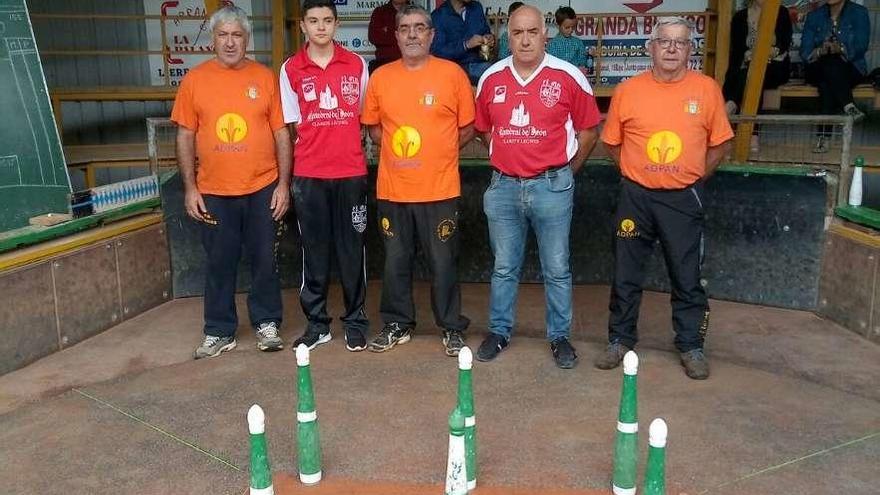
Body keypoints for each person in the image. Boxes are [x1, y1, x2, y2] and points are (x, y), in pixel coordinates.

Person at [595, 17, 734, 380]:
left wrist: (691, 178)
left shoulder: (706, 90)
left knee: (686, 274)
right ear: (650, 47)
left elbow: (721, 144)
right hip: (635, 197)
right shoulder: (628, 90)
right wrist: (634, 172)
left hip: (683, 199)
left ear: (691, 50)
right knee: (625, 272)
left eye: (681, 43)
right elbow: (612, 142)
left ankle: (690, 345)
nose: (672, 49)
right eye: (665, 42)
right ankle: (620, 339)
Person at [474, 5, 600, 369]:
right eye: (517, 33)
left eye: (532, 32)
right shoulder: (492, 77)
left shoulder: (568, 75)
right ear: (507, 37)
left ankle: (559, 337)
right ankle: (499, 331)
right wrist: (505, 153)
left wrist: (566, 171)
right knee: (503, 267)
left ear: (545, 34)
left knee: (557, 267)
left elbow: (590, 130)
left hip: (552, 186)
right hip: (503, 187)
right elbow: (483, 129)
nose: (525, 39)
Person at [172, 5, 291, 359]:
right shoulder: (195, 80)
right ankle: (219, 330)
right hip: (213, 191)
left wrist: (283, 184)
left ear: (246, 39)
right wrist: (191, 188)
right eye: (222, 35)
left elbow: (282, 133)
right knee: (219, 261)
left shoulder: (265, 77)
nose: (229, 42)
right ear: (212, 40)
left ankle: (267, 323)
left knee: (264, 259)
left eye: (236, 35)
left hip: (262, 187)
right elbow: (184, 136)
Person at [361, 5, 474, 357]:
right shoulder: (381, 77)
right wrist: (402, 151)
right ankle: (397, 323)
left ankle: (451, 326)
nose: (412, 34)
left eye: (420, 27)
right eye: (405, 28)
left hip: (440, 188)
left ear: (432, 34)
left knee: (443, 262)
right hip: (395, 189)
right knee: (395, 259)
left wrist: (439, 152)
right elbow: (373, 126)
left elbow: (468, 126)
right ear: (395, 36)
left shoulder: (452, 74)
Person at [280, 0, 370, 352]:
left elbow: (364, 118)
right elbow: (290, 125)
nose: (321, 27)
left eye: (327, 20)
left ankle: (356, 321)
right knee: (313, 252)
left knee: (353, 251)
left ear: (336, 24)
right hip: (309, 175)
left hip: (350, 173)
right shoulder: (290, 69)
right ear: (302, 25)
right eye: (313, 21)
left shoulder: (357, 64)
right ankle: (317, 324)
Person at [800, 0, 870, 153]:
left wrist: (841, 48)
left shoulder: (859, 13)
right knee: (828, 61)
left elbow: (861, 45)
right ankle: (849, 105)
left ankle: (823, 138)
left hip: (851, 67)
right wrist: (820, 51)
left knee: (827, 82)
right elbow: (805, 50)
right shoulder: (814, 16)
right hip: (818, 67)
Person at [722, 0, 792, 115]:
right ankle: (751, 130)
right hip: (748, 67)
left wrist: (767, 52)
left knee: (754, 72)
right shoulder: (740, 17)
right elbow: (737, 53)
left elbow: (784, 43)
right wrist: (749, 56)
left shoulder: (781, 12)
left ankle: (732, 104)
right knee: (749, 74)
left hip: (775, 66)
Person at [430, 0, 494, 85]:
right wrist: (466, 44)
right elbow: (438, 52)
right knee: (494, 74)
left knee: (506, 68)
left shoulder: (476, 7)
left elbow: (485, 31)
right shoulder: (438, 16)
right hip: (456, 67)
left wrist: (489, 37)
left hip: (481, 62)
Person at [368, 0, 408, 73]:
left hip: (411, 64)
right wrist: (404, 35)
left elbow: (420, 38)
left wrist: (389, 31)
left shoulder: (417, 12)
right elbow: (373, 37)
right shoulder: (380, 12)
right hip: (385, 64)